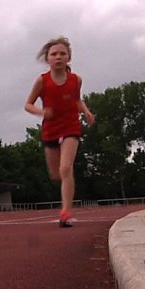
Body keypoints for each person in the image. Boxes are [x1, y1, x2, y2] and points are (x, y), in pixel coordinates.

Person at [24, 36, 96, 227]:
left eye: (62, 54)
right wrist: (42, 112)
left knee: (66, 168)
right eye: (54, 54)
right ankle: (65, 201)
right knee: (56, 175)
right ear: (47, 59)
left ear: (68, 58)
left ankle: (65, 212)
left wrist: (86, 111)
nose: (58, 57)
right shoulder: (42, 81)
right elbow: (28, 105)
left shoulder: (75, 80)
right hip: (50, 129)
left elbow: (76, 100)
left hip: (71, 127)